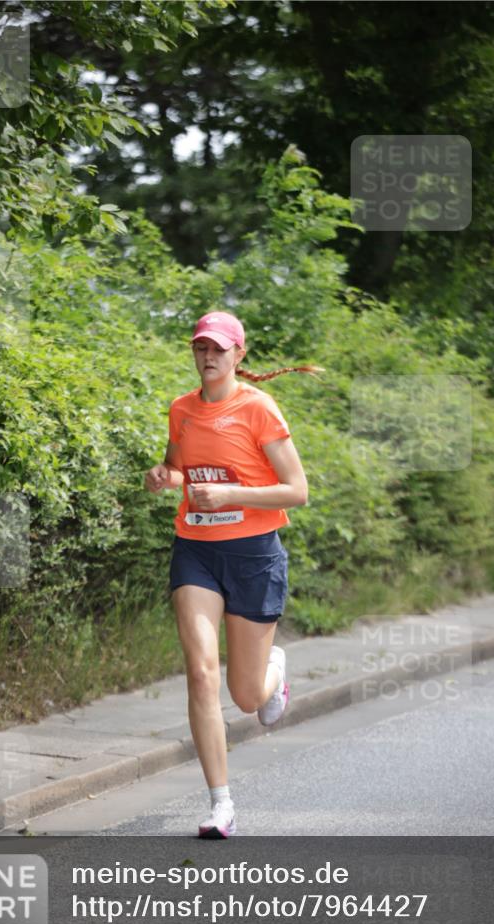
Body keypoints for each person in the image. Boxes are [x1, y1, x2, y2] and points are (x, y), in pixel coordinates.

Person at [144, 311, 323, 838]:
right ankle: (221, 804)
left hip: (252, 556)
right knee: (200, 672)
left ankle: (274, 670)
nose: (209, 357)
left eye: (219, 349)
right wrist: (165, 475)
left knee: (246, 698)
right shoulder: (182, 410)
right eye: (201, 347)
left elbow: (297, 490)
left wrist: (232, 495)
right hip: (196, 551)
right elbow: (179, 465)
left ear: (239, 355)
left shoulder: (259, 409)